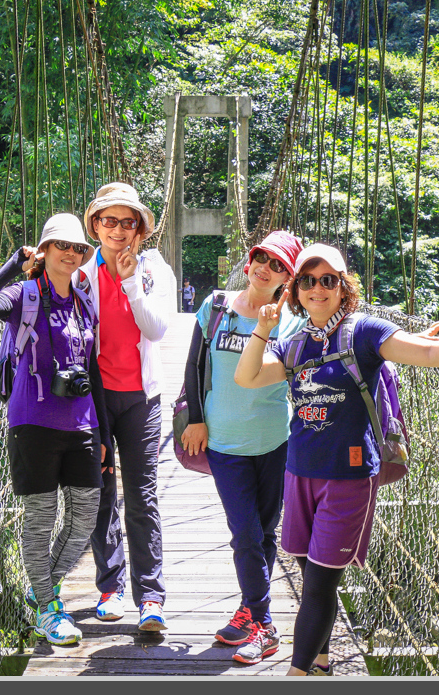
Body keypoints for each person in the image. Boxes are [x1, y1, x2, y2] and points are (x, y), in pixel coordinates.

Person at [234, 243, 439, 676]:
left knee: (319, 583)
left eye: (327, 280)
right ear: (295, 290)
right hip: (299, 473)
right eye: (307, 281)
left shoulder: (363, 331)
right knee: (311, 573)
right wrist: (261, 329)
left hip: (348, 478)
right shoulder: (295, 344)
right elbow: (247, 376)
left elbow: (425, 354)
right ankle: (323, 660)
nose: (317, 289)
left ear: (343, 288)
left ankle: (297, 673)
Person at [0, 212, 111, 646]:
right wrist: (12, 264)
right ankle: (47, 608)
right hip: (33, 422)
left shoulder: (84, 301)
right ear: (43, 251)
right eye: (60, 245)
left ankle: (40, 587)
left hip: (82, 424)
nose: (71, 252)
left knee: (85, 515)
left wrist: (101, 435)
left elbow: (92, 371)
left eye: (78, 247)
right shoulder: (23, 295)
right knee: (42, 518)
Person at [180, 230, 304, 664]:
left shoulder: (294, 321)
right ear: (250, 260)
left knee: (264, 532)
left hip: (275, 441)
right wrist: (196, 418)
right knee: (245, 533)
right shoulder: (215, 306)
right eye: (260, 257)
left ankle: (249, 610)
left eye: (277, 265)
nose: (264, 267)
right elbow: (195, 367)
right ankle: (266, 625)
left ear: (287, 278)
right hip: (225, 441)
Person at [77, 182, 176, 631]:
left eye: (127, 221)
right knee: (99, 494)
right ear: (95, 225)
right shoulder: (79, 273)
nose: (118, 230)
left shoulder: (156, 270)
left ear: (140, 228)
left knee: (141, 496)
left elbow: (155, 330)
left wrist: (131, 280)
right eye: (108, 220)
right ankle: (110, 587)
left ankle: (151, 597)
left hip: (142, 398)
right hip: (95, 400)